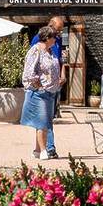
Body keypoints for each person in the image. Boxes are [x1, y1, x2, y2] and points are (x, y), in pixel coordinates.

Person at [20, 26, 62, 160]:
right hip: (39, 93)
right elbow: (28, 72)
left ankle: (37, 150)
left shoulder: (50, 51)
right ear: (48, 38)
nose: (56, 39)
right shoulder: (35, 50)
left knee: (45, 122)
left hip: (51, 92)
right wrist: (39, 86)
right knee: (42, 122)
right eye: (54, 37)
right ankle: (44, 150)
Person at [30, 16, 66, 157]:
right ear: (51, 26)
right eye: (58, 30)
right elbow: (33, 63)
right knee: (46, 117)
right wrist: (37, 82)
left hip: (54, 85)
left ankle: (38, 149)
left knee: (46, 117)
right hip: (43, 86)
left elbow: (60, 60)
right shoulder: (37, 40)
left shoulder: (57, 40)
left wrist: (62, 75)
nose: (59, 33)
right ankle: (49, 148)